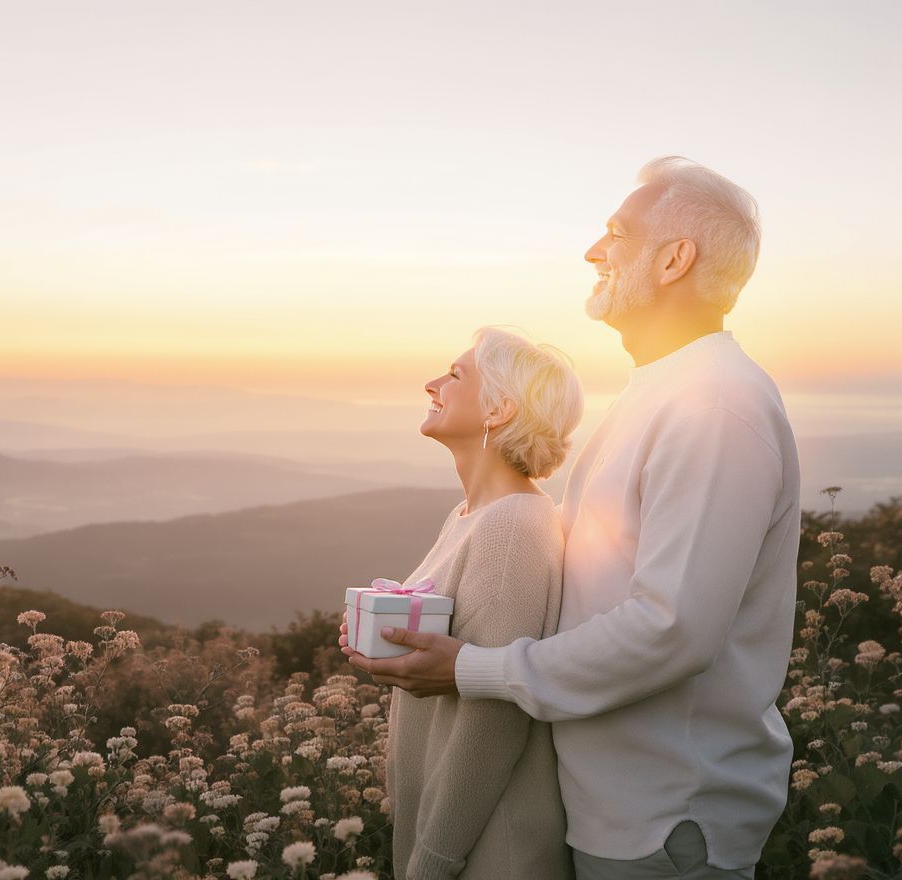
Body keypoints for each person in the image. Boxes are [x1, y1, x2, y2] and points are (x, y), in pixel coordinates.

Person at [343, 157, 801, 879]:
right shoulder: (661, 394)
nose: (594, 251)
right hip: (615, 807)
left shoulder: (714, 404)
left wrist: (474, 668)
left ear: (675, 259)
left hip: (662, 819)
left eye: (616, 234)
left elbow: (672, 629)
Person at [379, 326, 583, 879]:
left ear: (499, 410)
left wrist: (434, 860)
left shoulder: (513, 525)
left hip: (490, 849)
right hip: (459, 837)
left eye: (455, 374)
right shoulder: (470, 516)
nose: (432, 383)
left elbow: (494, 720)